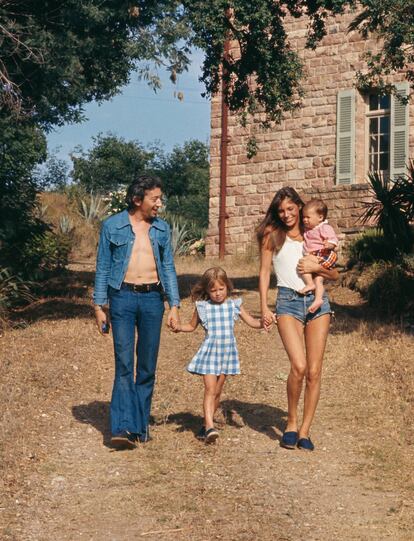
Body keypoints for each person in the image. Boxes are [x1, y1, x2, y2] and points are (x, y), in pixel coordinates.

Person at [93, 174, 180, 449]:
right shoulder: (112, 225)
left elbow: (168, 268)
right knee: (123, 363)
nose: (159, 204)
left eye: (160, 198)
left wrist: (174, 305)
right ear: (137, 199)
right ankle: (120, 428)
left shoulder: (162, 229)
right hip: (122, 298)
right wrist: (99, 305)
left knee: (146, 366)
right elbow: (103, 267)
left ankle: (140, 427)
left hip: (153, 299)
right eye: (155, 199)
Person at [257, 187, 338, 451]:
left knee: (314, 371)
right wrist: (264, 307)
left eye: (291, 209)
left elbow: (335, 275)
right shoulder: (272, 235)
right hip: (287, 302)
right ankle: (291, 423)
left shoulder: (313, 233)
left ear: (300, 208)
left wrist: (318, 268)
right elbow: (264, 272)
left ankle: (304, 431)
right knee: (299, 366)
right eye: (281, 210)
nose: (287, 214)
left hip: (317, 304)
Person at [171, 267, 262, 443]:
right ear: (206, 290)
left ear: (227, 287)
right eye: (213, 290)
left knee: (218, 393)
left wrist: (264, 322)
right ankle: (211, 427)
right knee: (210, 390)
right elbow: (191, 326)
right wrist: (178, 327)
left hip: (226, 354)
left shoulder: (234, 305)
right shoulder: (203, 307)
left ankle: (206, 426)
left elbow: (252, 322)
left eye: (221, 289)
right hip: (210, 354)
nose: (218, 293)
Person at [299, 198, 339, 313]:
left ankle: (309, 284)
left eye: (308, 217)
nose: (305, 220)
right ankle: (318, 299)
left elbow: (333, 240)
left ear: (320, 217)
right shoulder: (308, 229)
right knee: (319, 279)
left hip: (323, 254)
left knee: (304, 262)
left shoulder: (324, 227)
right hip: (317, 256)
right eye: (303, 217)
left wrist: (329, 245)